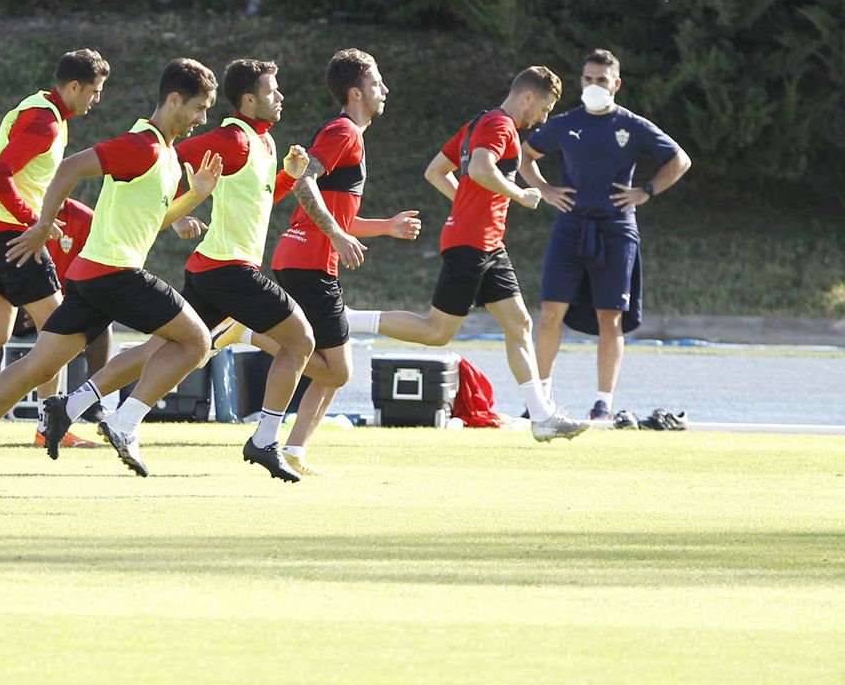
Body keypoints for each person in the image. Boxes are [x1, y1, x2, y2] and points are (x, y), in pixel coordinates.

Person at [0, 58, 225, 506]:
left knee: (38, 367)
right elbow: (69, 169)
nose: (202, 119)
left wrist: (195, 197)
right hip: (114, 273)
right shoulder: (142, 146)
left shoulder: (164, 155)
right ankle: (123, 421)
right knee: (197, 341)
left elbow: (152, 221)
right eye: (200, 108)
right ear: (174, 100)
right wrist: (41, 225)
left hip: (92, 275)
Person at [41, 58, 316, 482]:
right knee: (301, 341)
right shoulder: (233, 139)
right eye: (271, 91)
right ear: (248, 100)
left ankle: (73, 405)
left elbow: (257, 203)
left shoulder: (264, 143)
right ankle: (263, 440)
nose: (279, 97)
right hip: (229, 269)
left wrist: (287, 178)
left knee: (163, 348)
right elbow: (171, 155)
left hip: (215, 268)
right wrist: (171, 204)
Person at [342, 66, 589, 442]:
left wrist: (470, 202)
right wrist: (520, 194)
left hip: (488, 243)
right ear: (527, 97)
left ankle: (542, 416)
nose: (544, 118)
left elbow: (436, 171)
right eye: (545, 108)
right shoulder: (501, 125)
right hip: (472, 244)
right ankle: (347, 319)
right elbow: (480, 167)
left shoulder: (480, 123)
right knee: (436, 332)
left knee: (520, 324)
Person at [266, 49, 422, 475]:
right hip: (308, 263)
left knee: (330, 366)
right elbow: (303, 181)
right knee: (337, 370)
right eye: (376, 84)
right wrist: (336, 234)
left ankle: (296, 451)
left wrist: (385, 227)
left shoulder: (350, 134)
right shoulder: (344, 132)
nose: (384, 89)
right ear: (357, 92)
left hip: (307, 260)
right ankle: (248, 332)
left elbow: (340, 214)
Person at [518, 49, 691, 422]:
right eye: (588, 79)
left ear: (616, 83)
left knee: (610, 318)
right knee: (550, 313)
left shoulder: (633, 125)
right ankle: (539, 400)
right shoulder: (565, 123)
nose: (594, 85)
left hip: (616, 230)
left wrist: (646, 190)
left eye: (601, 80)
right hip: (570, 227)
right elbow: (524, 153)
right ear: (580, 82)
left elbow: (679, 159)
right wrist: (546, 190)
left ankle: (603, 403)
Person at [0, 49, 110, 449]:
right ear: (74, 87)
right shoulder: (45, 122)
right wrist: (34, 221)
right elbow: (0, 174)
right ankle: (51, 427)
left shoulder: (40, 108)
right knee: (61, 329)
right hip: (15, 234)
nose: (96, 100)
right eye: (95, 91)